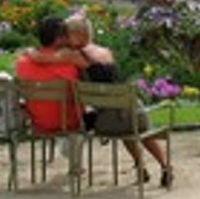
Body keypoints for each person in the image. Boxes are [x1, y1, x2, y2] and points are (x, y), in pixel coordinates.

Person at [24, 15, 173, 187]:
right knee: (136, 128)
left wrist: (29, 51)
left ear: (77, 35)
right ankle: (164, 165)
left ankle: (141, 166)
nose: (64, 38)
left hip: (106, 121)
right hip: (131, 110)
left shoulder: (74, 55)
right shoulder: (105, 52)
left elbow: (41, 58)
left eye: (67, 34)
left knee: (117, 124)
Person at [14, 16, 81, 135]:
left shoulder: (22, 63)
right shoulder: (69, 63)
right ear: (58, 38)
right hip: (68, 123)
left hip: (37, 123)